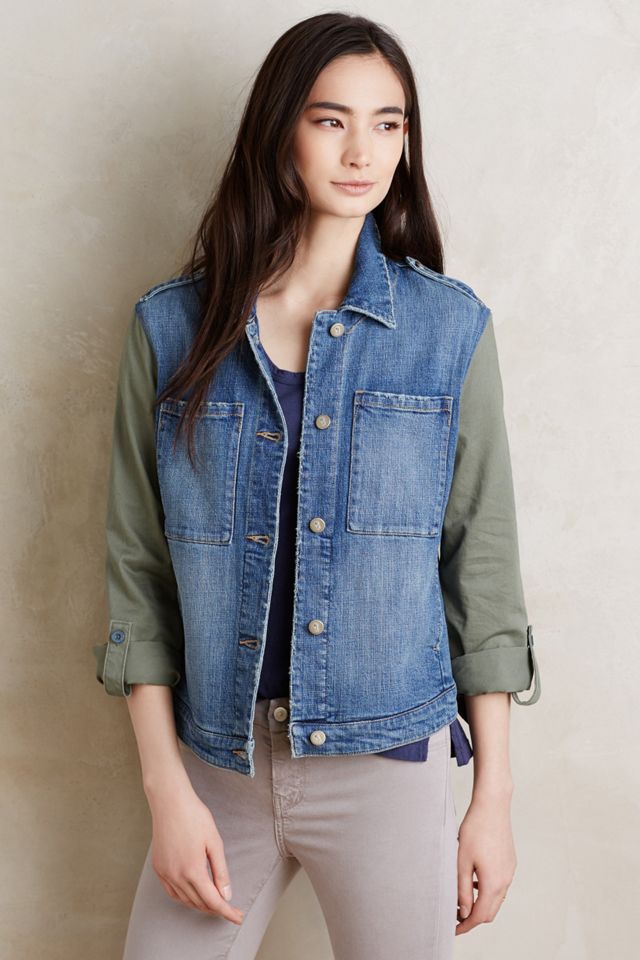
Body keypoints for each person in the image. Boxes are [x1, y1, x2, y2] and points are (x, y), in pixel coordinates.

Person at [93, 12, 541, 960]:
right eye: (331, 120)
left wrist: (491, 800)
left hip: (390, 763)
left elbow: (482, 570)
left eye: (388, 123)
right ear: (280, 131)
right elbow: (138, 570)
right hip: (218, 760)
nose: (362, 151)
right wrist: (166, 790)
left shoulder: (447, 331)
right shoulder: (171, 330)